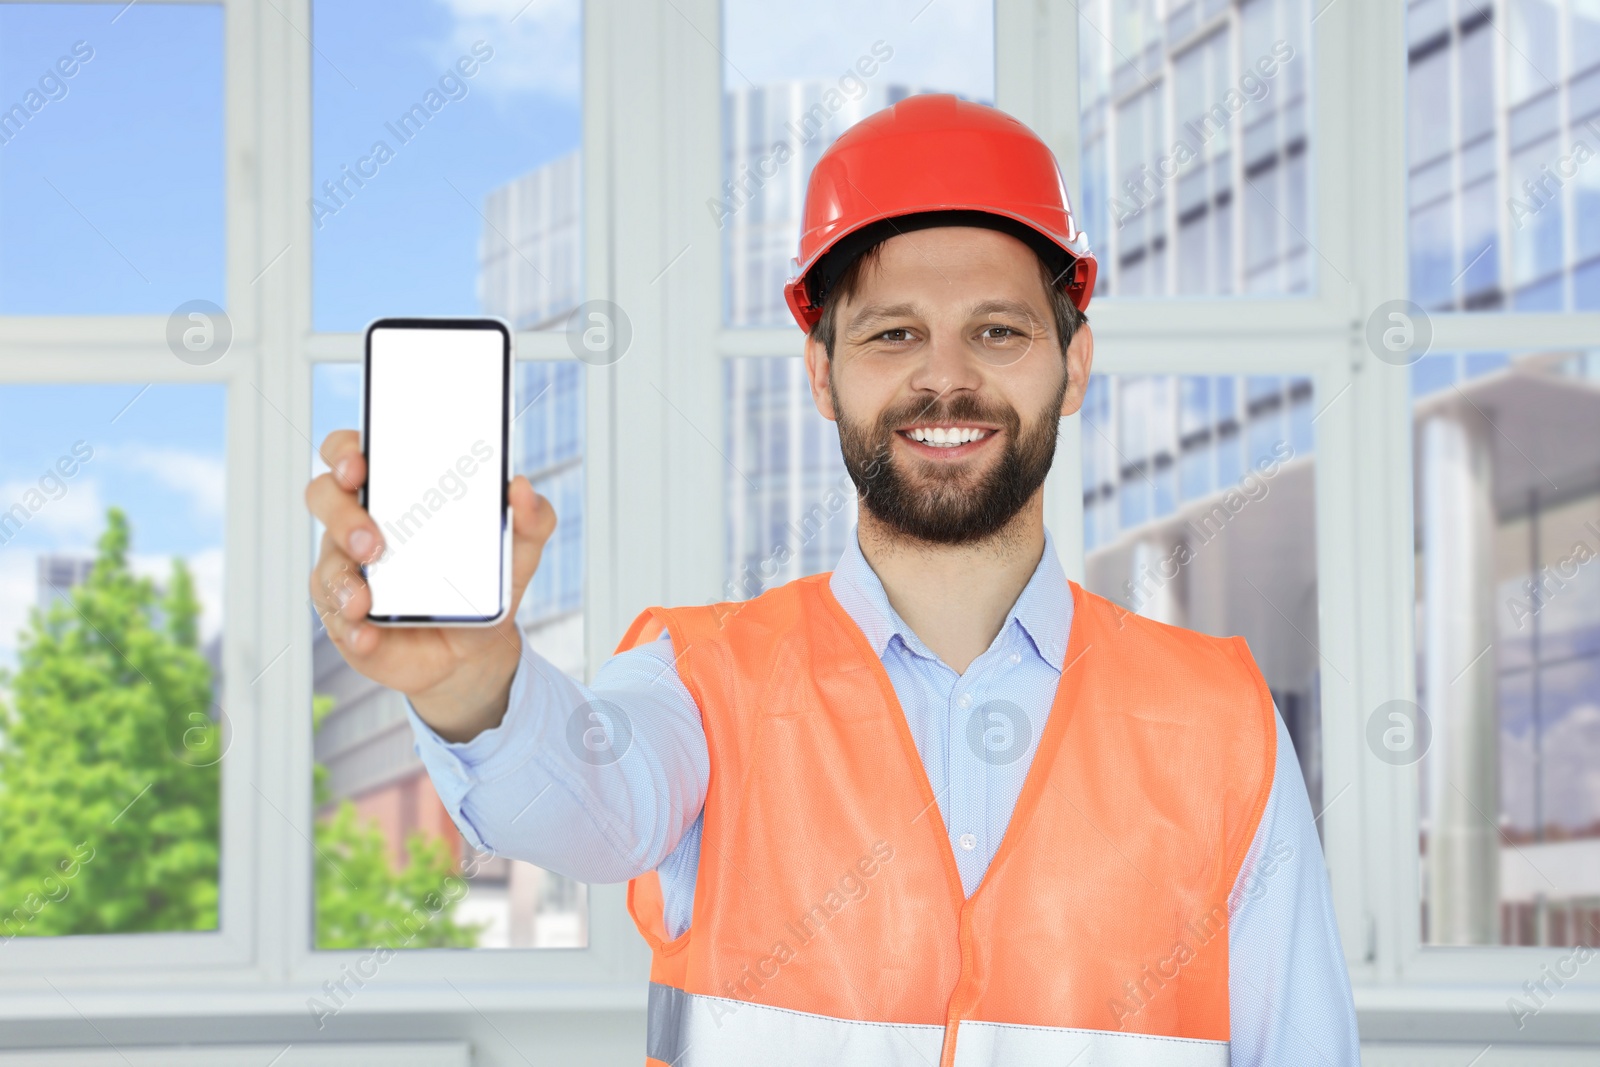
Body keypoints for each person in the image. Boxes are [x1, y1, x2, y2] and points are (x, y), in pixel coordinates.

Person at [307, 93, 1360, 1067]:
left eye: (996, 330)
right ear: (820, 373)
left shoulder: (1221, 720)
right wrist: (471, 687)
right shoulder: (699, 682)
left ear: (1072, 366)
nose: (943, 375)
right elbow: (585, 802)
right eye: (892, 332)